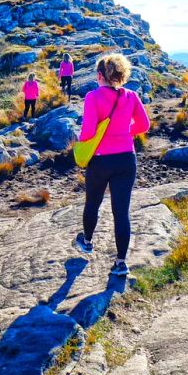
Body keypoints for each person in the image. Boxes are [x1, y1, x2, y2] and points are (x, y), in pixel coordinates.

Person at [73, 53, 151, 276]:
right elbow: (143, 125)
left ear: (100, 75)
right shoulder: (131, 96)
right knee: (121, 212)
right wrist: (125, 132)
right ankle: (120, 263)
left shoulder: (93, 97)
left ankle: (87, 241)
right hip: (127, 158)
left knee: (93, 203)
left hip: (100, 160)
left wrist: (87, 141)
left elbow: (87, 132)